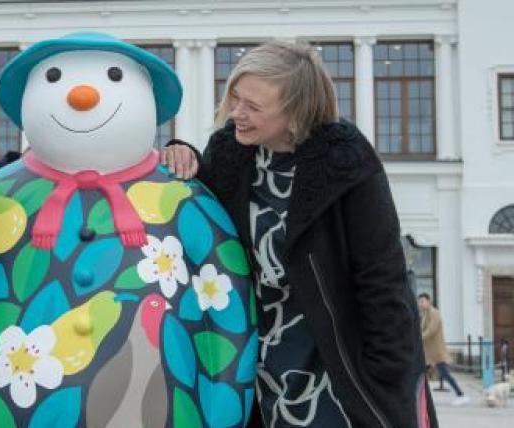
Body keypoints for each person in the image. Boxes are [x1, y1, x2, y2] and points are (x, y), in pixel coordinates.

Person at [161, 41, 437, 428]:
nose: (236, 113)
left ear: (295, 113)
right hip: (261, 357)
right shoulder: (230, 152)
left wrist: (385, 374)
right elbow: (203, 220)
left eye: (253, 107)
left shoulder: (346, 160)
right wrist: (182, 153)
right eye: (235, 98)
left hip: (339, 358)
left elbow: (382, 277)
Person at [418, 293, 469, 406]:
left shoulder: (434, 313)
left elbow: (431, 330)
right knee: (421, 373)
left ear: (428, 301)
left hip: (437, 352)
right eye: (419, 302)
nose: (420, 304)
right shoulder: (426, 314)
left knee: (444, 374)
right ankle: (420, 398)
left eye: (422, 301)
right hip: (429, 353)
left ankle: (461, 395)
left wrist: (418, 338)